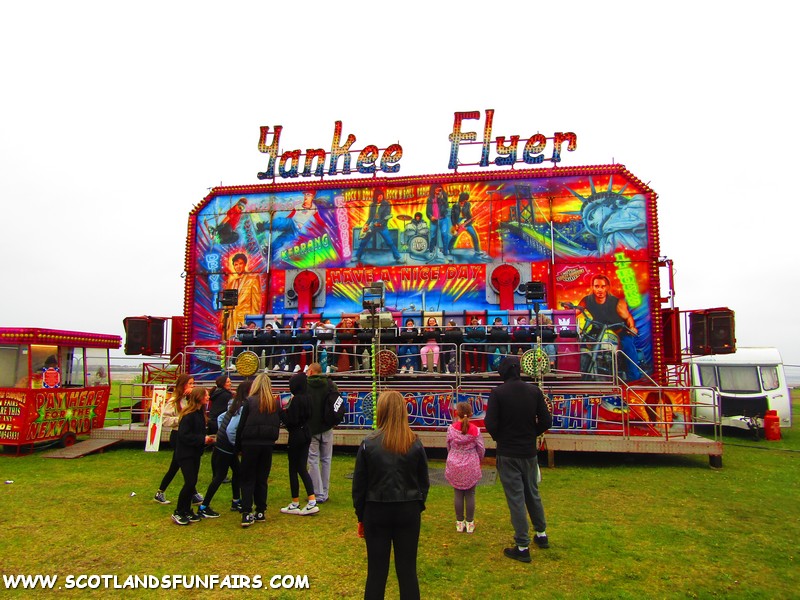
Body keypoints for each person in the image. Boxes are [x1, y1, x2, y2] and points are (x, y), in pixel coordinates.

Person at [352, 390, 430, 600]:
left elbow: (359, 485)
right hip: (408, 509)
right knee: (407, 571)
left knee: (376, 572)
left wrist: (361, 515)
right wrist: (417, 503)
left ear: (381, 411)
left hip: (376, 509)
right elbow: (424, 481)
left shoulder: (369, 444)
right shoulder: (414, 442)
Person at [485, 356, 553, 563]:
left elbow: (490, 423)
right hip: (529, 451)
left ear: (503, 372)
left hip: (508, 452)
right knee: (533, 492)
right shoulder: (534, 391)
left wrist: (501, 437)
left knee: (516, 498)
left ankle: (522, 546)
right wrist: (532, 433)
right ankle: (541, 534)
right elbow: (546, 420)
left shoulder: (498, 393)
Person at [236, 373, 281, 527]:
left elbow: (241, 425)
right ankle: (260, 510)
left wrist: (238, 445)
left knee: (248, 478)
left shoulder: (249, 402)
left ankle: (246, 511)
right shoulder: (274, 403)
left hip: (250, 442)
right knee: (262, 478)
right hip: (267, 443)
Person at [198, 381, 248, 518]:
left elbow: (221, 417)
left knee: (237, 472)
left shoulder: (234, 403)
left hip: (223, 445)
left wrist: (221, 432)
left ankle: (236, 501)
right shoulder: (242, 408)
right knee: (220, 476)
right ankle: (204, 506)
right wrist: (235, 444)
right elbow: (231, 429)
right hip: (226, 448)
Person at [578, 274, 640, 380]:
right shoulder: (587, 300)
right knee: (580, 343)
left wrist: (632, 327)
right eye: (597, 286)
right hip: (598, 329)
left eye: (603, 286)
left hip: (618, 331)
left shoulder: (616, 302)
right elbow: (576, 311)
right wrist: (567, 311)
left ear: (607, 287)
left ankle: (634, 377)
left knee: (628, 346)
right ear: (592, 287)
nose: (600, 289)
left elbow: (628, 317)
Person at [154, 374, 202, 506]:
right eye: (190, 384)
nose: (192, 386)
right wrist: (181, 419)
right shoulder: (174, 401)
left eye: (193, 383)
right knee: (184, 465)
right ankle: (193, 493)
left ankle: (161, 491)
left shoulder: (190, 399)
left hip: (188, 435)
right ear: (182, 385)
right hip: (177, 436)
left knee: (176, 466)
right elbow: (165, 420)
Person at [171, 387, 215, 525]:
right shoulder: (188, 415)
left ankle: (187, 510)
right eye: (206, 395)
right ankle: (178, 511)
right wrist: (202, 439)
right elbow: (184, 436)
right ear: (199, 397)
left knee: (192, 482)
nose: (208, 397)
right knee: (190, 482)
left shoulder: (200, 413)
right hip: (185, 454)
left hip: (195, 453)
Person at [279, 373, 319, 516]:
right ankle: (311, 499)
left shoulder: (296, 400)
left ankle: (296, 502)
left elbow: (290, 421)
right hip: (306, 432)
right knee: (302, 467)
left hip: (296, 434)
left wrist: (281, 412)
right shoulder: (308, 398)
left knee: (294, 468)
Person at [445, 402, 485, 534]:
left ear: (457, 413)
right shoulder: (476, 430)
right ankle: (469, 523)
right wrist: (477, 459)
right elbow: (481, 448)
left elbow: (448, 445)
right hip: (471, 463)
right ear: (471, 414)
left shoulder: (451, 429)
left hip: (455, 463)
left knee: (457, 493)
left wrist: (453, 455)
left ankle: (459, 523)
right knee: (470, 494)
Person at [306, 362, 339, 503]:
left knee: (313, 460)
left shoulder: (306, 385)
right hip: (327, 426)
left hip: (311, 427)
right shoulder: (330, 384)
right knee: (326, 460)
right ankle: (325, 492)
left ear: (311, 372)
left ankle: (317, 492)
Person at [354, 188, 404, 264]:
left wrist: (380, 223)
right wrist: (366, 224)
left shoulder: (386, 204)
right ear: (376, 196)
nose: (381, 197)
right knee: (364, 241)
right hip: (372, 225)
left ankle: (398, 257)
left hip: (382, 226)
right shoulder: (372, 205)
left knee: (389, 242)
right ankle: (357, 256)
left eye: (382, 195)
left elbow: (386, 216)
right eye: (379, 196)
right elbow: (370, 217)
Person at [221, 253, 263, 340]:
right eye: (236, 264)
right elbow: (226, 304)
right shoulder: (231, 283)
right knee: (230, 343)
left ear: (245, 264)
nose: (238, 267)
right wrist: (223, 321)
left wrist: (252, 322)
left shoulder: (253, 279)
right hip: (231, 321)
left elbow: (256, 303)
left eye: (240, 263)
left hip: (244, 320)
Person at [448, 191, 486, 259]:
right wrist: (455, 224)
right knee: (455, 236)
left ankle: (477, 251)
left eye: (466, 200)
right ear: (461, 199)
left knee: (474, 235)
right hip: (458, 222)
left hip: (466, 222)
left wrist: (471, 220)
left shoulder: (468, 204)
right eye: (464, 200)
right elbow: (452, 216)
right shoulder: (455, 206)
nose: (465, 202)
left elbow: (468, 214)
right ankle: (449, 249)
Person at [425, 184, 452, 262]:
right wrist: (431, 217)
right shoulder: (430, 199)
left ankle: (445, 253)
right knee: (433, 236)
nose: (438, 191)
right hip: (434, 220)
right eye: (437, 189)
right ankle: (431, 251)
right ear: (433, 190)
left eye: (440, 189)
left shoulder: (444, 196)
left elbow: (447, 206)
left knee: (444, 235)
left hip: (443, 219)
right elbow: (427, 211)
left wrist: (442, 198)